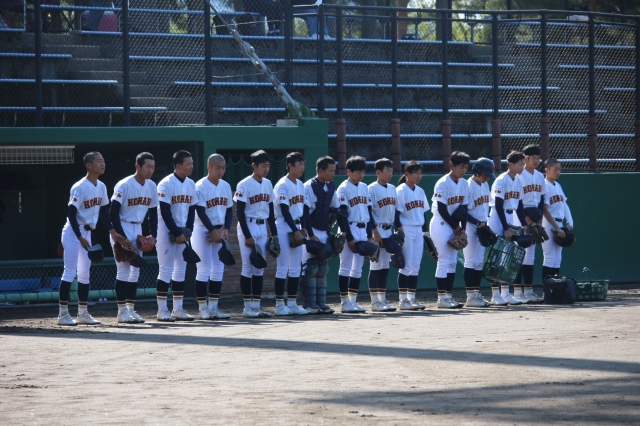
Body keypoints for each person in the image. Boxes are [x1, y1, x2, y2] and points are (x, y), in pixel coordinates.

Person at [57, 151, 122, 326]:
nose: (103, 164)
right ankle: (63, 314)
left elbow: (103, 211)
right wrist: (79, 237)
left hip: (87, 233)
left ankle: (83, 313)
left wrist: (112, 231)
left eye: (103, 161)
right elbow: (71, 213)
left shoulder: (101, 186)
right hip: (73, 232)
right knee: (70, 271)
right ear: (89, 165)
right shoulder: (79, 187)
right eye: (99, 161)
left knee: (85, 274)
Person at [109, 152, 158, 324]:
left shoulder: (152, 186)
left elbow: (153, 213)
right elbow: (113, 212)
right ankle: (121, 311)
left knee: (135, 271)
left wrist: (153, 235)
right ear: (138, 166)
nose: (150, 170)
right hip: (122, 226)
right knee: (123, 270)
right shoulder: (124, 184)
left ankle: (130, 309)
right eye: (147, 167)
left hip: (138, 227)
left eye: (153, 167)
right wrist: (120, 236)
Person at [155, 150, 199, 322]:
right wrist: (177, 232)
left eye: (192, 164)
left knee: (180, 270)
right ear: (178, 166)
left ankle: (178, 309)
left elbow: (192, 209)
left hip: (182, 232)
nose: (191, 167)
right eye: (188, 164)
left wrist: (188, 231)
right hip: (165, 230)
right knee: (166, 269)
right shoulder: (165, 184)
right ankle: (162, 310)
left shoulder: (191, 184)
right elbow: (165, 212)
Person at [233, 150, 278, 318]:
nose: (266, 169)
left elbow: (271, 212)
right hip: (248, 226)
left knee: (259, 268)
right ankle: (247, 307)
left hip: (262, 227)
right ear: (254, 166)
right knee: (247, 267)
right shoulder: (244, 184)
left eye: (268, 166)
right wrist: (247, 235)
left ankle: (256, 306)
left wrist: (274, 234)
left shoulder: (268, 183)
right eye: (263, 166)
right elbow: (239, 212)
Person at [511, 144, 557, 303]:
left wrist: (538, 220)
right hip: (519, 216)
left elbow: (542, 198)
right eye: (533, 158)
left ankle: (529, 291)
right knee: (519, 254)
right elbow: (517, 201)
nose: (536, 161)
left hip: (535, 215)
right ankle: (517, 292)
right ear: (525, 158)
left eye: (538, 158)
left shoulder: (539, 176)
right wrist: (528, 221)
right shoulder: (519, 175)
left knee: (530, 256)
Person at [191, 154, 234, 320]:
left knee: (218, 269)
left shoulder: (225, 185)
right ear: (209, 167)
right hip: (201, 229)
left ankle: (214, 308)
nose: (221, 171)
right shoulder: (200, 186)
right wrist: (212, 230)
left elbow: (229, 210)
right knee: (203, 269)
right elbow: (200, 212)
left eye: (223, 168)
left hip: (219, 229)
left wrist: (226, 229)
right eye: (218, 168)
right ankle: (203, 309)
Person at [300, 156, 340, 314]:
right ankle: (309, 304)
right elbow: (304, 213)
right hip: (311, 230)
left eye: (334, 171)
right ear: (321, 171)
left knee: (322, 268)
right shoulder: (308, 186)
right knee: (310, 268)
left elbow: (336, 208)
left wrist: (333, 230)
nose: (332, 174)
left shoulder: (330, 186)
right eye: (330, 171)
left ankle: (321, 303)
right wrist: (310, 235)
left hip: (324, 230)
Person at [430, 151, 470, 309]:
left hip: (455, 226)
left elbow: (464, 208)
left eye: (466, 167)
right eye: (461, 167)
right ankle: (441, 298)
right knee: (444, 260)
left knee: (452, 263)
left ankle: (448, 296)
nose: (464, 170)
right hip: (441, 224)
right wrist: (456, 228)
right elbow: (441, 209)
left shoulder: (464, 183)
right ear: (451, 165)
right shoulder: (442, 183)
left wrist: (463, 230)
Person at [487, 151, 528, 306]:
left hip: (510, 216)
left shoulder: (518, 180)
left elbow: (520, 205)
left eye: (523, 164)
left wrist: (524, 224)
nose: (522, 167)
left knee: (507, 257)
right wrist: (505, 228)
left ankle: (506, 293)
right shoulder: (501, 180)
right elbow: (498, 206)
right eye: (520, 164)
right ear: (510, 164)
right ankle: (495, 295)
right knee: (496, 257)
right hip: (498, 218)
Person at [272, 152, 309, 316]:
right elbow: (285, 210)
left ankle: (292, 303)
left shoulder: (300, 184)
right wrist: (295, 230)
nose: (302, 167)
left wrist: (303, 228)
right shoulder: (282, 184)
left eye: (303, 164)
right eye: (299, 164)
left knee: (295, 268)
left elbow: (304, 209)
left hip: (297, 225)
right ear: (290, 165)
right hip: (283, 225)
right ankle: (280, 305)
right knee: (282, 268)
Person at [336, 155, 374, 313]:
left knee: (357, 268)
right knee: (345, 266)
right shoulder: (343, 188)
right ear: (349, 171)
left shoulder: (365, 187)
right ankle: (344, 302)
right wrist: (349, 238)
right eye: (358, 172)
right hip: (348, 228)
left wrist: (369, 235)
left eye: (363, 172)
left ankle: (353, 301)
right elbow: (341, 215)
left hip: (362, 229)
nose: (361, 175)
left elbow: (368, 212)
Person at [394, 160, 429, 310]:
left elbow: (423, 213)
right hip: (406, 228)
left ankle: (412, 299)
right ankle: (403, 300)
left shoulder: (420, 191)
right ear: (407, 174)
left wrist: (425, 233)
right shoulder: (400, 190)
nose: (419, 176)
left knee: (415, 266)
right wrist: (399, 229)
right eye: (416, 173)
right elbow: (396, 213)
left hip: (418, 229)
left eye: (420, 173)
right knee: (406, 265)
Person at [462, 157, 495, 308]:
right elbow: (463, 212)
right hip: (470, 226)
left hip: (482, 225)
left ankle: (476, 294)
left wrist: (484, 224)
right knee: (470, 261)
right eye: (485, 174)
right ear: (477, 171)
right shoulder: (468, 185)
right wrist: (478, 223)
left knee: (479, 262)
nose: (487, 177)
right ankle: (470, 297)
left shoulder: (485, 184)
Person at [367, 158, 398, 312]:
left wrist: (399, 229)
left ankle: (382, 300)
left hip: (388, 230)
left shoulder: (392, 188)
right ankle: (375, 302)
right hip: (377, 229)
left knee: (385, 266)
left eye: (391, 171)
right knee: (375, 266)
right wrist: (374, 232)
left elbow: (396, 211)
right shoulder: (371, 188)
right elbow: (368, 212)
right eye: (387, 171)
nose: (390, 174)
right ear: (378, 172)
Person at [542, 159, 572, 279]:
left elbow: (564, 205)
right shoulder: (544, 186)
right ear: (547, 170)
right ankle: (547, 287)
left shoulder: (558, 185)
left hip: (559, 223)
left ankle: (555, 286)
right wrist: (556, 228)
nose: (558, 172)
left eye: (559, 169)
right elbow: (544, 210)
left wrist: (570, 221)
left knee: (557, 257)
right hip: (548, 223)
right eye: (555, 169)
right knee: (549, 256)